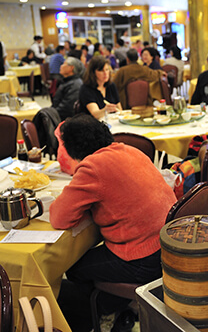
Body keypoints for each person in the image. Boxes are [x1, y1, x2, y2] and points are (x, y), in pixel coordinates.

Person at [50, 114, 176, 332]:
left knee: (73, 266)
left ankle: (100, 312)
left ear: (71, 149)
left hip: (143, 259)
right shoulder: (128, 150)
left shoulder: (92, 167)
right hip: (168, 245)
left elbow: (59, 217)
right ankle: (120, 306)